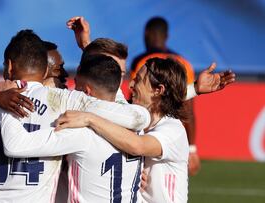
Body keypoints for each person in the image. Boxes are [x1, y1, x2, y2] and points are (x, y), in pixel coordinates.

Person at [0, 29, 151, 202]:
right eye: (59, 69)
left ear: (10, 67)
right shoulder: (65, 104)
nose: (64, 77)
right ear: (45, 71)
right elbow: (137, 116)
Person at [54, 57, 236, 203]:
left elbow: (138, 146)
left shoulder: (173, 130)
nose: (131, 86)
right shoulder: (136, 120)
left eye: (138, 80)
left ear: (158, 90)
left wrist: (89, 118)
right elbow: (105, 88)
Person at [0, 54, 145, 202]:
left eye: (76, 86)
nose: (72, 91)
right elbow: (139, 115)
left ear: (86, 92)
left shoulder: (80, 133)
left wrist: (5, 102)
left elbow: (15, 146)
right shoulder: (139, 131)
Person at [131, 16, 200, 175]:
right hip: (174, 140)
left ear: (146, 34)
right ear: (166, 36)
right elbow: (188, 109)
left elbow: (135, 101)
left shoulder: (141, 61)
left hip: (145, 135)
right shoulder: (183, 63)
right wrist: (192, 148)